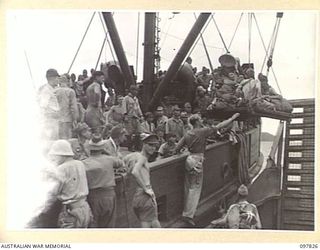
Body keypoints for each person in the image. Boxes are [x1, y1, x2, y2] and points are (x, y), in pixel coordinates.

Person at [174, 112, 240, 226]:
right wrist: (232, 118)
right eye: (200, 120)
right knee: (195, 188)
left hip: (189, 159)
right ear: (197, 122)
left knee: (188, 186)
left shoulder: (188, 133)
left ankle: (186, 211)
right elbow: (220, 126)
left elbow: (177, 148)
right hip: (198, 160)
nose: (201, 121)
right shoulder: (202, 131)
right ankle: (188, 216)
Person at [48, 140, 92, 228]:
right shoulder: (80, 164)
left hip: (70, 212)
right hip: (85, 208)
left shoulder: (61, 169)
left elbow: (54, 192)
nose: (54, 159)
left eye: (55, 157)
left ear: (61, 155)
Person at [82, 135, 124, 228]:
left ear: (90, 149)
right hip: (109, 195)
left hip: (93, 197)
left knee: (93, 226)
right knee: (109, 225)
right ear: (102, 148)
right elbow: (121, 163)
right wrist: (107, 152)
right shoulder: (109, 160)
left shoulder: (84, 163)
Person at [125, 134, 161, 228]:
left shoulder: (134, 156)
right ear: (144, 144)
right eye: (150, 145)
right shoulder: (142, 158)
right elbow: (135, 172)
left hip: (137, 196)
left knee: (153, 222)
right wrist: (146, 189)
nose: (153, 148)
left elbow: (127, 169)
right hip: (145, 196)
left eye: (155, 145)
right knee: (148, 225)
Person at [37, 68, 60, 141]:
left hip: (54, 120)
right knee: (50, 142)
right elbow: (42, 107)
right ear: (51, 78)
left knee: (54, 140)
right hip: (49, 122)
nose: (58, 80)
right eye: (57, 77)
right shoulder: (46, 90)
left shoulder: (52, 89)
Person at [55, 75, 78, 139]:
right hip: (67, 119)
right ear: (68, 81)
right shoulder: (70, 91)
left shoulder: (54, 91)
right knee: (67, 139)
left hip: (56, 120)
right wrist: (75, 119)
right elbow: (74, 107)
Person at [123, 85, 143, 151]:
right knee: (129, 132)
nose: (136, 92)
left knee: (138, 132)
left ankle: (137, 147)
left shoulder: (135, 99)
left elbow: (138, 108)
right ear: (131, 90)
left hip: (136, 117)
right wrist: (125, 116)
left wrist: (141, 115)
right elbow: (124, 107)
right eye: (135, 90)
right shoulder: (126, 98)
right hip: (129, 116)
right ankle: (130, 147)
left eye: (137, 90)